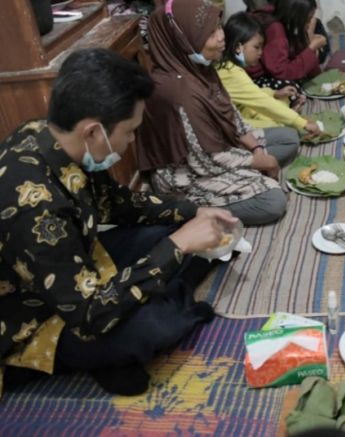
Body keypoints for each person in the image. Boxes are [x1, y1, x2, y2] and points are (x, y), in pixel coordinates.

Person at [0, 48, 239, 397]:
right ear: (94, 131)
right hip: (34, 316)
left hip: (76, 265)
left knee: (168, 235)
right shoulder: (35, 209)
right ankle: (99, 354)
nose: (131, 142)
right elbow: (89, 314)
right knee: (149, 328)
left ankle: (161, 302)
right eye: (130, 132)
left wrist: (191, 212)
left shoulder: (49, 135)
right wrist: (180, 245)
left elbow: (119, 205)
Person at [136, 0, 289, 226]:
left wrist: (257, 149)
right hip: (189, 172)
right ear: (183, 39)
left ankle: (251, 172)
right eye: (210, 33)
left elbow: (232, 117)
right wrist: (261, 162)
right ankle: (185, 209)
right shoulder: (177, 92)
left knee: (288, 139)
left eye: (218, 27)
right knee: (272, 201)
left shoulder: (198, 66)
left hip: (221, 147)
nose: (221, 37)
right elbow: (207, 161)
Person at [216, 12, 321, 142]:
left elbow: (251, 95)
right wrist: (302, 123)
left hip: (243, 110)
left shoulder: (232, 66)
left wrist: (274, 93)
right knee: (280, 128)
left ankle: (288, 115)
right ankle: (289, 118)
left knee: (281, 101)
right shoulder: (231, 72)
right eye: (256, 47)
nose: (260, 53)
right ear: (238, 47)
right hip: (232, 122)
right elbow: (261, 102)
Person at [246, 0, 326, 98]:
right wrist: (311, 48)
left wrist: (318, 77)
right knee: (291, 89)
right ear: (295, 17)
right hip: (254, 77)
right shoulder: (275, 30)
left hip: (273, 69)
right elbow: (281, 72)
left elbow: (299, 48)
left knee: (308, 63)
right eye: (307, 20)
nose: (309, 23)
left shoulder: (288, 21)